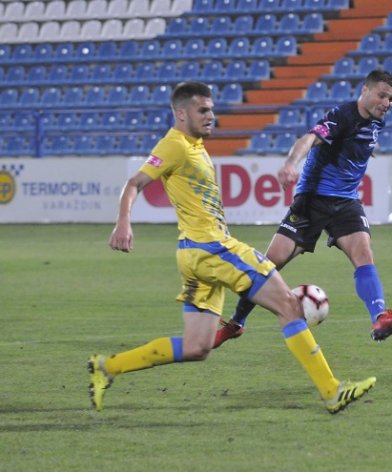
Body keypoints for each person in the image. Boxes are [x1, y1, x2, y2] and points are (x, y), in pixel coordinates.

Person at [88, 81, 375, 414]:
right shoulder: (175, 145)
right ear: (181, 113)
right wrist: (123, 222)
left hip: (192, 254)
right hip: (212, 248)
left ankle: (107, 367)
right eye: (203, 110)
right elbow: (135, 183)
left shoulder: (193, 145)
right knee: (289, 305)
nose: (212, 115)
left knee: (197, 347)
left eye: (212, 109)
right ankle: (331, 391)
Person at [213, 69, 392, 348]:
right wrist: (291, 163)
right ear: (364, 91)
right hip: (312, 201)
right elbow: (308, 139)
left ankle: (379, 318)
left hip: (346, 203)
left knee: (364, 255)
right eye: (382, 95)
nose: (386, 103)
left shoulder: (377, 122)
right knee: (269, 265)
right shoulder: (341, 116)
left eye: (391, 99)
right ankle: (236, 323)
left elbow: (358, 144)